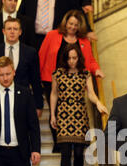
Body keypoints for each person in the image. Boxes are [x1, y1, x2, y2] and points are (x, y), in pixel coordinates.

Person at [39, 9, 104, 153]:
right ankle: (59, 141)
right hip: (53, 80)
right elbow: (41, 56)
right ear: (65, 23)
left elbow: (90, 60)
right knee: (55, 110)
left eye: (76, 24)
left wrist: (97, 70)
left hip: (76, 82)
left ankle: (76, 140)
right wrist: (36, 77)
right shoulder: (52, 35)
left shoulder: (84, 41)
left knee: (76, 111)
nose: (73, 27)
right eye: (70, 23)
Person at [50, 43, 107, 166]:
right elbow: (54, 94)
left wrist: (98, 103)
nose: (72, 61)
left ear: (79, 58)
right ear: (65, 58)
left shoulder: (85, 74)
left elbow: (91, 94)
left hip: (79, 115)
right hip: (63, 114)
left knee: (79, 153)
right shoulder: (58, 73)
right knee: (66, 154)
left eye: (74, 58)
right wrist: (53, 115)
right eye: (69, 58)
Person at [0, 17, 43, 120]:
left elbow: (35, 80)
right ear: (3, 31)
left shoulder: (30, 52)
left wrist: (39, 105)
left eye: (15, 29)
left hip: (22, 101)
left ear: (20, 32)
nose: (12, 32)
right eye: (9, 28)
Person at [0, 0, 36, 80]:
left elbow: (32, 47)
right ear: (3, 1)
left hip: (21, 74)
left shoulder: (27, 22)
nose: (13, 3)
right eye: (10, 0)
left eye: (15, 1)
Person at [18, 0, 96, 50]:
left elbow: (77, 11)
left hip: (55, 40)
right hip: (33, 40)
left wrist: (88, 31)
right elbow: (20, 16)